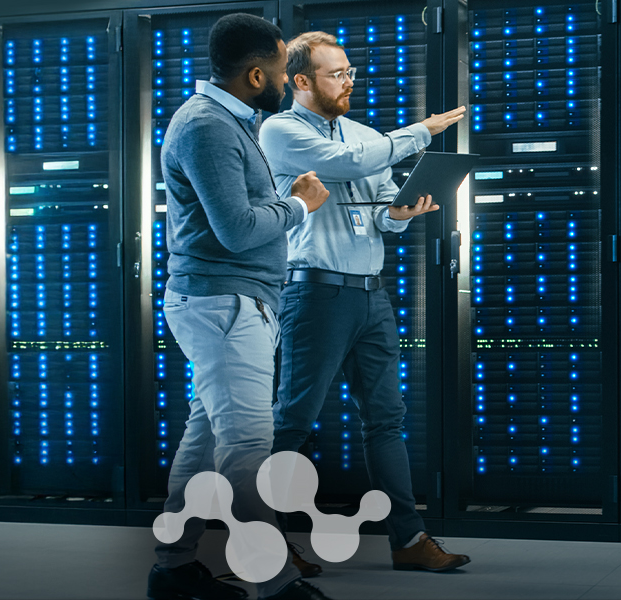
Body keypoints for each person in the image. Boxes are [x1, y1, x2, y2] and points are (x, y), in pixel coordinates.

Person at [258, 31, 468, 575]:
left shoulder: (363, 134)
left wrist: (396, 216)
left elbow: (374, 203)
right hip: (315, 293)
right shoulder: (280, 130)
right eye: (337, 74)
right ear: (301, 81)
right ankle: (269, 540)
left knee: (386, 419)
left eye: (351, 72)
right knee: (294, 421)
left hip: (371, 295)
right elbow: (349, 165)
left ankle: (409, 540)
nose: (348, 81)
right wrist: (421, 131)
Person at [147, 14, 336, 600]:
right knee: (248, 447)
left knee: (204, 441)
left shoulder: (225, 120)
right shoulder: (207, 127)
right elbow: (235, 229)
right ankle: (274, 581)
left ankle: (173, 570)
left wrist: (281, 203)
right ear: (257, 74)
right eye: (283, 70)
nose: (289, 80)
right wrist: (299, 205)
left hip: (231, 303)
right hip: (223, 305)